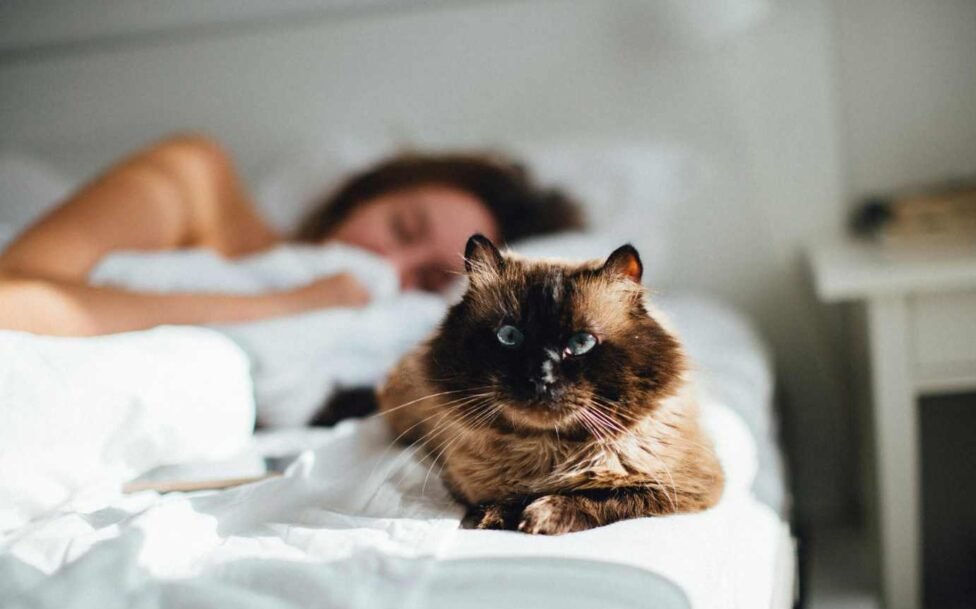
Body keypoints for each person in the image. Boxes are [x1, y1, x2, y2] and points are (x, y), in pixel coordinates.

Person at [0, 134, 582, 337]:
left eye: (428, 278)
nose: (389, 262)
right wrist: (286, 305)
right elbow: (11, 299)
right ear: (367, 193)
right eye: (402, 227)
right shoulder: (193, 179)